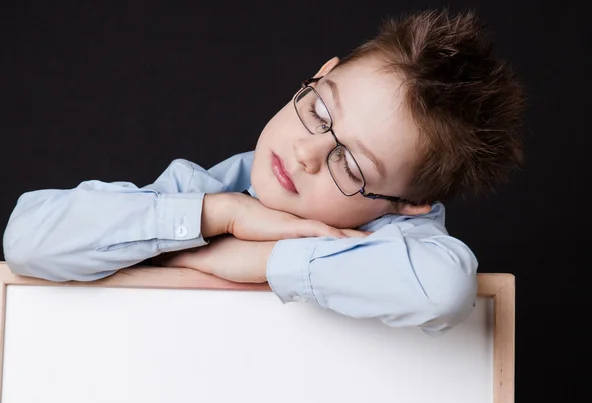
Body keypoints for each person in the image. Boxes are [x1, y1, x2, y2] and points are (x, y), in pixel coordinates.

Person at [2, 8, 525, 336]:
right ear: (323, 74)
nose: (307, 153)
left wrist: (250, 258)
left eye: (350, 163)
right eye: (321, 110)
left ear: (410, 203)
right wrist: (220, 216)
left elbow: (443, 289)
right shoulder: (209, 190)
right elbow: (28, 238)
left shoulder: (405, 243)